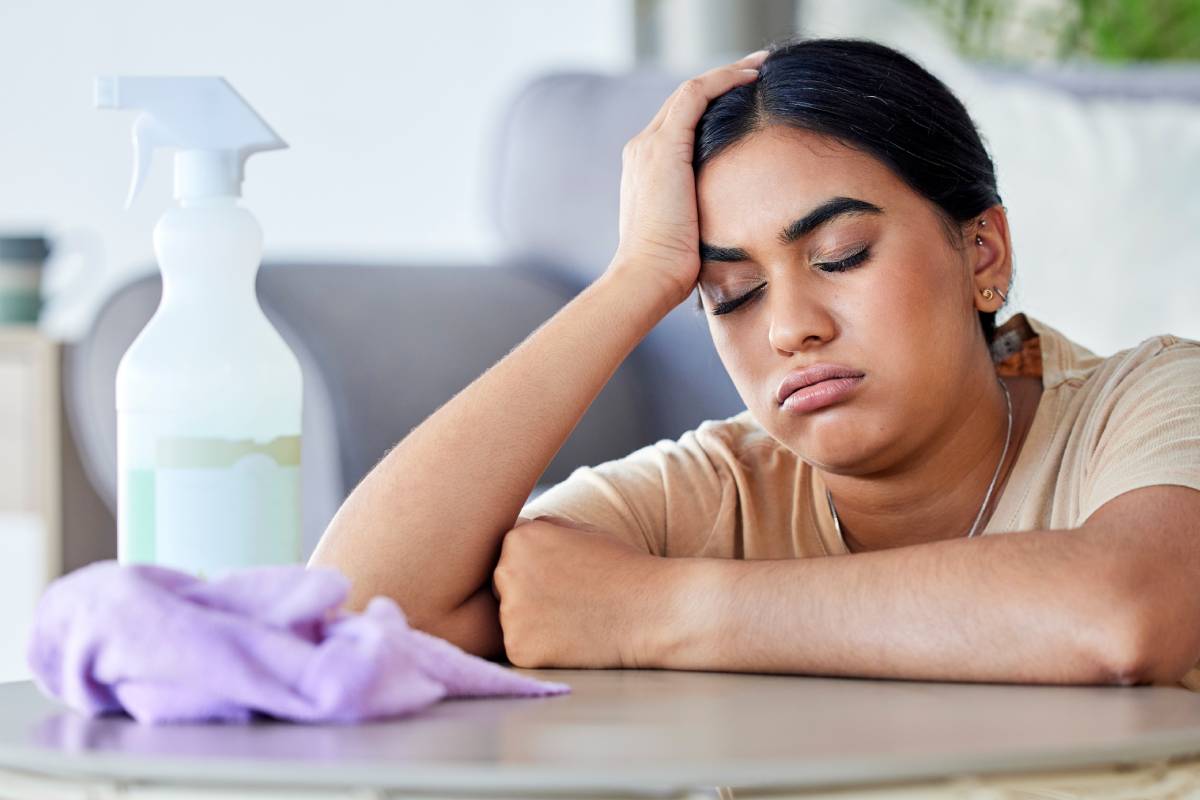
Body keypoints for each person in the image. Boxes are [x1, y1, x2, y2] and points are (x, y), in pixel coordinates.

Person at [308, 38, 1200, 690]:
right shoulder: (719, 488)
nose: (789, 330)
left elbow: (1121, 616)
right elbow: (348, 624)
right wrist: (635, 280)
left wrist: (653, 611)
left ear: (983, 254)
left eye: (842, 254)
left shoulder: (1152, 401)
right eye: (730, 295)